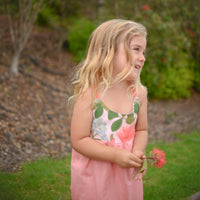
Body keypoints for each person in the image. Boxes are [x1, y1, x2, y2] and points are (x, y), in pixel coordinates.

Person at [70, 19, 148, 200]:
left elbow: (141, 129)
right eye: (136, 49)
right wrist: (115, 155)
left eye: (144, 51)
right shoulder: (90, 93)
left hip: (126, 175)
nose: (143, 57)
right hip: (95, 178)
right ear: (109, 51)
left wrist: (137, 152)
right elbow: (79, 139)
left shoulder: (139, 94)